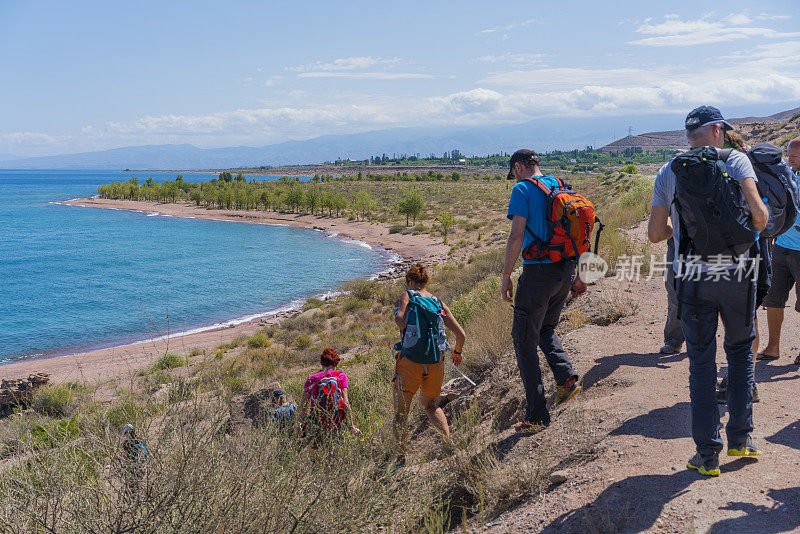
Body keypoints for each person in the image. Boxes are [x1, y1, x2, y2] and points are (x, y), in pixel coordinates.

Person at [647, 106, 768, 477]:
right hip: (739, 273)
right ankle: (741, 439)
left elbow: (654, 234)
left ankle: (707, 454)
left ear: (689, 135)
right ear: (718, 130)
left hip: (694, 276)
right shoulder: (737, 160)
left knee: (701, 363)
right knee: (739, 354)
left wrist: (680, 232)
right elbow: (760, 217)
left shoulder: (670, 170)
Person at [501, 149, 585, 433]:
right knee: (546, 329)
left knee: (523, 340)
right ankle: (567, 379)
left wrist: (505, 275)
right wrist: (580, 275)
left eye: (513, 171)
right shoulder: (559, 184)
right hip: (565, 271)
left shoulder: (522, 190)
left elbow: (516, 235)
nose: (513, 176)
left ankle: (537, 416)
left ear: (519, 166)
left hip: (538, 273)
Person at [393, 263, 466, 464]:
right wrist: (457, 353)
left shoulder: (407, 295)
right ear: (426, 282)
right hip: (435, 362)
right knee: (430, 405)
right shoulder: (438, 303)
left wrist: (401, 311)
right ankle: (447, 446)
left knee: (401, 413)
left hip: (410, 361)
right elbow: (461, 334)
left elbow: (400, 321)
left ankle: (400, 458)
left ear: (409, 281)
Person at [758, 136, 800, 366]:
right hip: (781, 247)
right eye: (789, 153)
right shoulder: (787, 178)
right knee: (773, 300)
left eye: (795, 154)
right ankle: (772, 348)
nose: (789, 158)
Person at [298, 348, 360, 447]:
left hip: (316, 420)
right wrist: (351, 426)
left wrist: (298, 424)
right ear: (336, 363)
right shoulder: (341, 376)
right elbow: (346, 403)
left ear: (322, 363)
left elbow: (302, 405)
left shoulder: (312, 378)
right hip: (336, 421)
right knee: (335, 453)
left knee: (316, 453)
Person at [659, 237, 685, 354]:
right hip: (676, 240)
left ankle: (701, 341)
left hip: (705, 238)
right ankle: (674, 340)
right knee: (674, 294)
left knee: (702, 294)